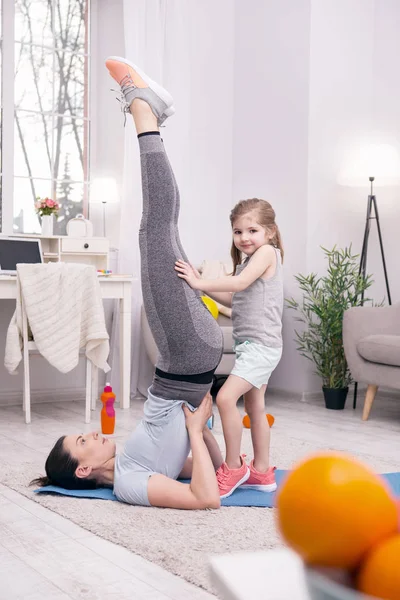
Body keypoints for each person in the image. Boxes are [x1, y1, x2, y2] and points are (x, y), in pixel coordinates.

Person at [31, 56, 225, 510]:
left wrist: (200, 432)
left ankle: (148, 113)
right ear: (83, 468)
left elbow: (210, 469)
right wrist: (197, 431)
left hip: (186, 363)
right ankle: (144, 112)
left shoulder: (134, 461)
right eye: (84, 439)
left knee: (160, 229)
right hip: (186, 357)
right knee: (155, 229)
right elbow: (206, 497)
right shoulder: (128, 483)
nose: (92, 431)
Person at [175, 196, 284, 499]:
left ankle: (234, 466)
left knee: (225, 398)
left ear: (270, 232)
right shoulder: (251, 260)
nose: (244, 238)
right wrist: (199, 290)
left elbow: (237, 284)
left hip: (262, 346)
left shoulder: (267, 253)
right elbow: (236, 299)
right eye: (238, 232)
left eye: (252, 231)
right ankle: (262, 472)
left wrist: (200, 282)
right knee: (255, 407)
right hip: (252, 346)